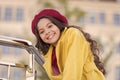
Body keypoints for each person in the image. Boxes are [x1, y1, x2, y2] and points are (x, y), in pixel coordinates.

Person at [31, 8, 106, 80]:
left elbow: (72, 69)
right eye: (42, 32)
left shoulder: (72, 34)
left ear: (58, 24)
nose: (47, 32)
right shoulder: (50, 55)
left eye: (50, 26)